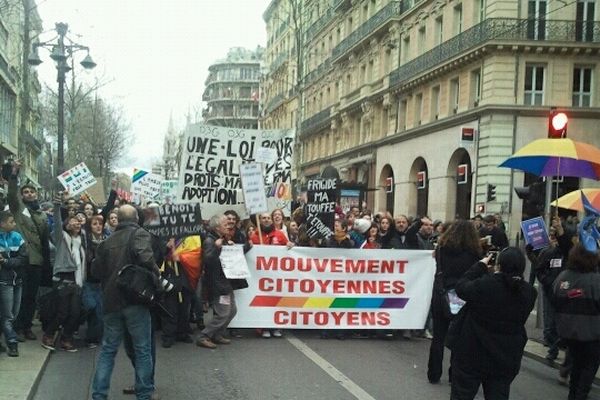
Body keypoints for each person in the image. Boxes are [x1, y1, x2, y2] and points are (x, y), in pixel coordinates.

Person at [91, 205, 159, 400]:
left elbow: (95, 272)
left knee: (108, 350)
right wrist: (157, 274)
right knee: (142, 349)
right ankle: (144, 393)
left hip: (111, 302)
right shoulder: (139, 234)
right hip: (134, 300)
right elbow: (145, 257)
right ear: (136, 218)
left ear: (118, 219)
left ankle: (99, 395)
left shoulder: (105, 242)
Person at [450, 247, 537, 400]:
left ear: (499, 265)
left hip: (472, 352)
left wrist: (480, 266)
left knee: (462, 394)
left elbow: (461, 287)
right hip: (506, 356)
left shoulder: (486, 285)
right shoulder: (528, 292)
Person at [427, 220, 482, 384]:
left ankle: (434, 373)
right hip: (462, 296)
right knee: (460, 338)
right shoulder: (473, 253)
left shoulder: (441, 249)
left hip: (441, 295)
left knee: (438, 337)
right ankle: (454, 374)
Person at [8, 162, 49, 342]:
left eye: (32, 192)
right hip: (23, 259)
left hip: (37, 260)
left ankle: (27, 326)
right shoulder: (18, 209)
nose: (29, 194)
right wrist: (14, 175)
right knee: (21, 296)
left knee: (31, 297)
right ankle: (16, 327)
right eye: (26, 192)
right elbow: (11, 195)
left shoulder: (42, 214)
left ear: (36, 194)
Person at [196, 214, 251, 349]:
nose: (229, 225)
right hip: (218, 284)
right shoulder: (211, 241)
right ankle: (205, 336)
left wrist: (247, 246)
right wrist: (216, 247)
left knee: (232, 311)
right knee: (224, 313)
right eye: (225, 224)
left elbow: (232, 255)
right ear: (217, 227)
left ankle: (218, 334)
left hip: (226, 283)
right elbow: (208, 261)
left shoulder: (222, 239)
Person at [553, 242, 600, 400]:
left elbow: (555, 301)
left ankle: (573, 395)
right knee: (588, 370)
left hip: (568, 333)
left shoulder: (563, 277)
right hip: (592, 335)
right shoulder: (595, 280)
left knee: (576, 366)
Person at [41, 195, 86, 352]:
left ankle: (66, 338)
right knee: (62, 312)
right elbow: (58, 222)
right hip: (62, 279)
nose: (75, 223)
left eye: (77, 221)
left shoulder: (81, 242)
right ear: (66, 226)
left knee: (74, 313)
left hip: (77, 281)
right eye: (71, 221)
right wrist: (58, 205)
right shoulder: (62, 238)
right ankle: (48, 335)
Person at [249, 212, 292, 337]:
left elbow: (288, 248)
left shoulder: (279, 235)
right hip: (260, 276)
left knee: (276, 301)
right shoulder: (254, 236)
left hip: (276, 276)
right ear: (260, 220)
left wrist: (290, 245)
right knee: (263, 301)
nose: (266, 220)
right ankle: (264, 327)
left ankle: (276, 327)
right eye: (264, 218)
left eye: (268, 218)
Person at [0, 211, 28, 357]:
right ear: (2, 224)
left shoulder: (17, 237)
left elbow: (23, 259)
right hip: (4, 282)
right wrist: (12, 263)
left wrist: (5, 261)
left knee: (14, 314)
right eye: (11, 222)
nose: (14, 224)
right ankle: (12, 342)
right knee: (8, 315)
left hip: (18, 281)